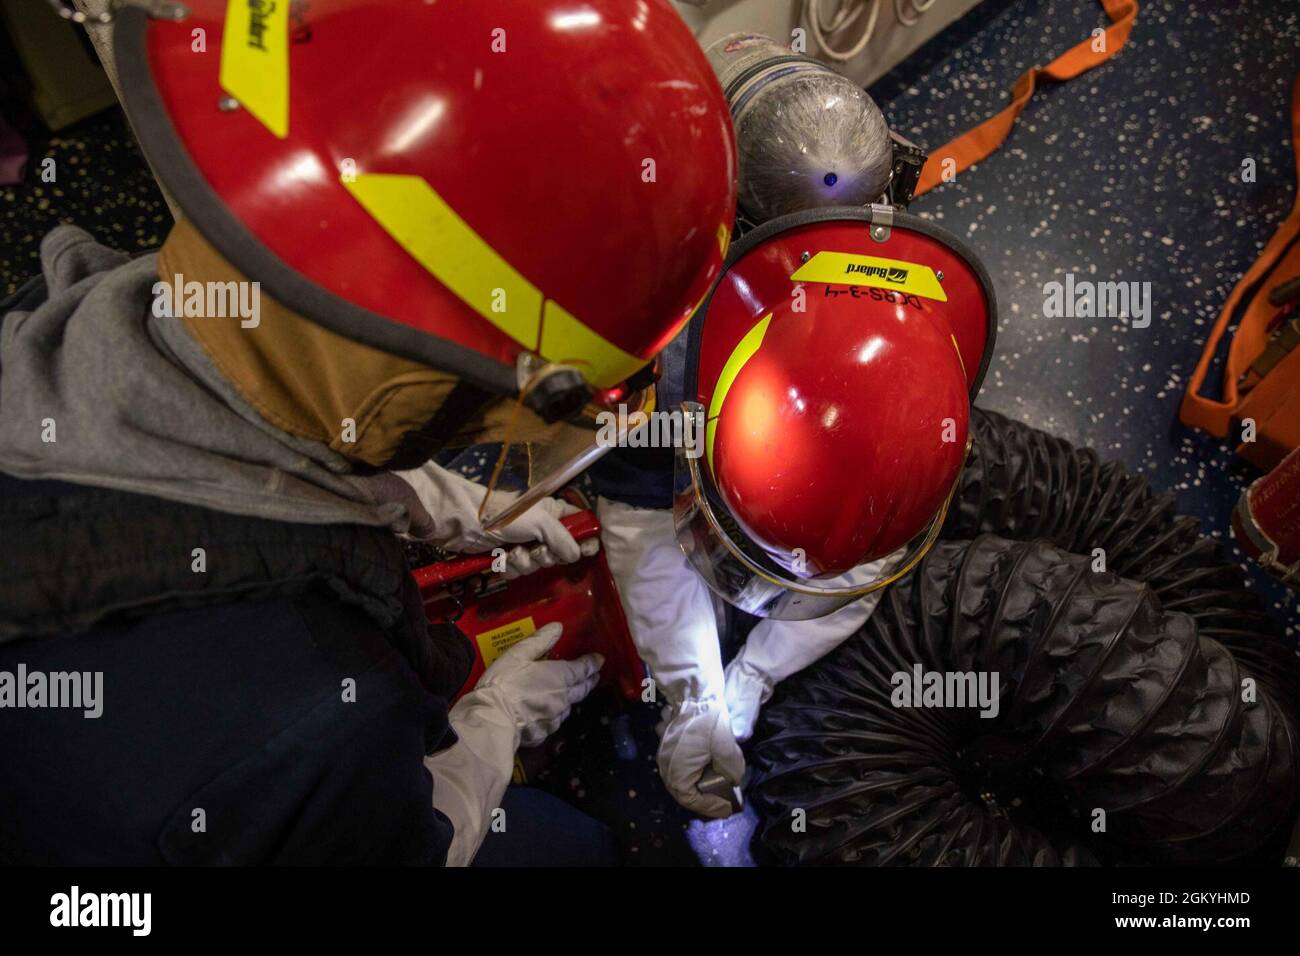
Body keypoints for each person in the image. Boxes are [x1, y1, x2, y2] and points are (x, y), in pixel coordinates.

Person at [0, 0, 735, 864]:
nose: (508, 434)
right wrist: (489, 732)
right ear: (412, 376)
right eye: (524, 409)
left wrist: (420, 497)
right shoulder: (302, 731)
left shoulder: (57, 328)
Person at [591, 206, 997, 817]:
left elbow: (857, 566)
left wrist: (755, 673)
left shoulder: (919, 425)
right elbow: (641, 523)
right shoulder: (652, 381)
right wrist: (694, 697)